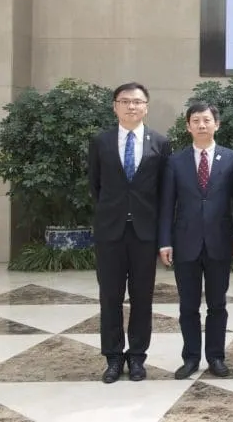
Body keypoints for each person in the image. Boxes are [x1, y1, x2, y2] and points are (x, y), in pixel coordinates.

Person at [88, 82, 171, 383]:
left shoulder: (160, 143)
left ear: (146, 106)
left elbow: (164, 191)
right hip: (110, 232)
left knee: (142, 298)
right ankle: (112, 357)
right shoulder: (101, 141)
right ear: (115, 106)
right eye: (125, 101)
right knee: (109, 297)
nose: (131, 106)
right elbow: (95, 186)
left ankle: (137, 357)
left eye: (137, 102)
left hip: (144, 233)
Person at [158, 101, 233, 380]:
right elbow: (166, 205)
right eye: (195, 121)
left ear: (216, 124)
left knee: (218, 304)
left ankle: (217, 358)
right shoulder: (175, 161)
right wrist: (165, 241)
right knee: (188, 305)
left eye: (206, 120)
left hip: (220, 242)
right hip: (185, 243)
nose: (201, 125)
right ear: (188, 126)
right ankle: (191, 358)